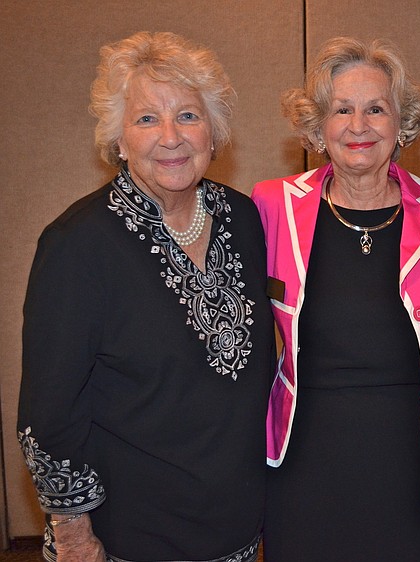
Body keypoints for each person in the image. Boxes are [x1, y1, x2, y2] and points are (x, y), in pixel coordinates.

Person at [17, 32, 274, 562]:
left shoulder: (245, 219)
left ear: (214, 131)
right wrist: (72, 532)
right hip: (126, 537)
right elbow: (48, 413)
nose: (171, 137)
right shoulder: (76, 246)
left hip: (237, 526)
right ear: (118, 139)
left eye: (187, 115)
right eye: (146, 119)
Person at [252, 36, 420, 561]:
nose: (359, 125)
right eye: (341, 110)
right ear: (317, 127)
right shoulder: (272, 205)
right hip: (305, 452)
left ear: (401, 124)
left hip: (413, 452)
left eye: (376, 109)